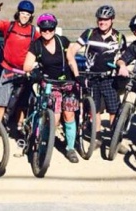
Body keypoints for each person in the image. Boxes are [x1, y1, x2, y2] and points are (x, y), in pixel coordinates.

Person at [23, 13, 80, 163]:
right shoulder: (36, 45)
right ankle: (44, 143)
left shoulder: (63, 41)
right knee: (54, 118)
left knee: (69, 115)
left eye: (50, 29)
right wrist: (34, 69)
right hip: (49, 82)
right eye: (44, 29)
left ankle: (70, 148)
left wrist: (77, 75)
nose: (47, 32)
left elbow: (71, 59)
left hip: (66, 81)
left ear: (55, 28)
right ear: (40, 29)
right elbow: (26, 65)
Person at [67, 5, 124, 141]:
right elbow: (71, 51)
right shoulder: (89, 33)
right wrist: (76, 74)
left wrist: (122, 67)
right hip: (91, 77)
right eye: (100, 19)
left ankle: (115, 139)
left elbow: (122, 58)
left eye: (106, 19)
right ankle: (97, 136)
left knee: (113, 109)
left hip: (109, 78)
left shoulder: (119, 37)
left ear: (112, 20)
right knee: (95, 109)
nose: (102, 22)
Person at [0, 0, 40, 129]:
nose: (24, 16)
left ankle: (20, 127)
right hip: (8, 70)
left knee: (22, 102)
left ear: (31, 17)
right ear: (18, 13)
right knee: (1, 102)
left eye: (27, 14)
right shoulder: (8, 26)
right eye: (22, 13)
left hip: (24, 72)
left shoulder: (33, 32)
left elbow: (42, 45)